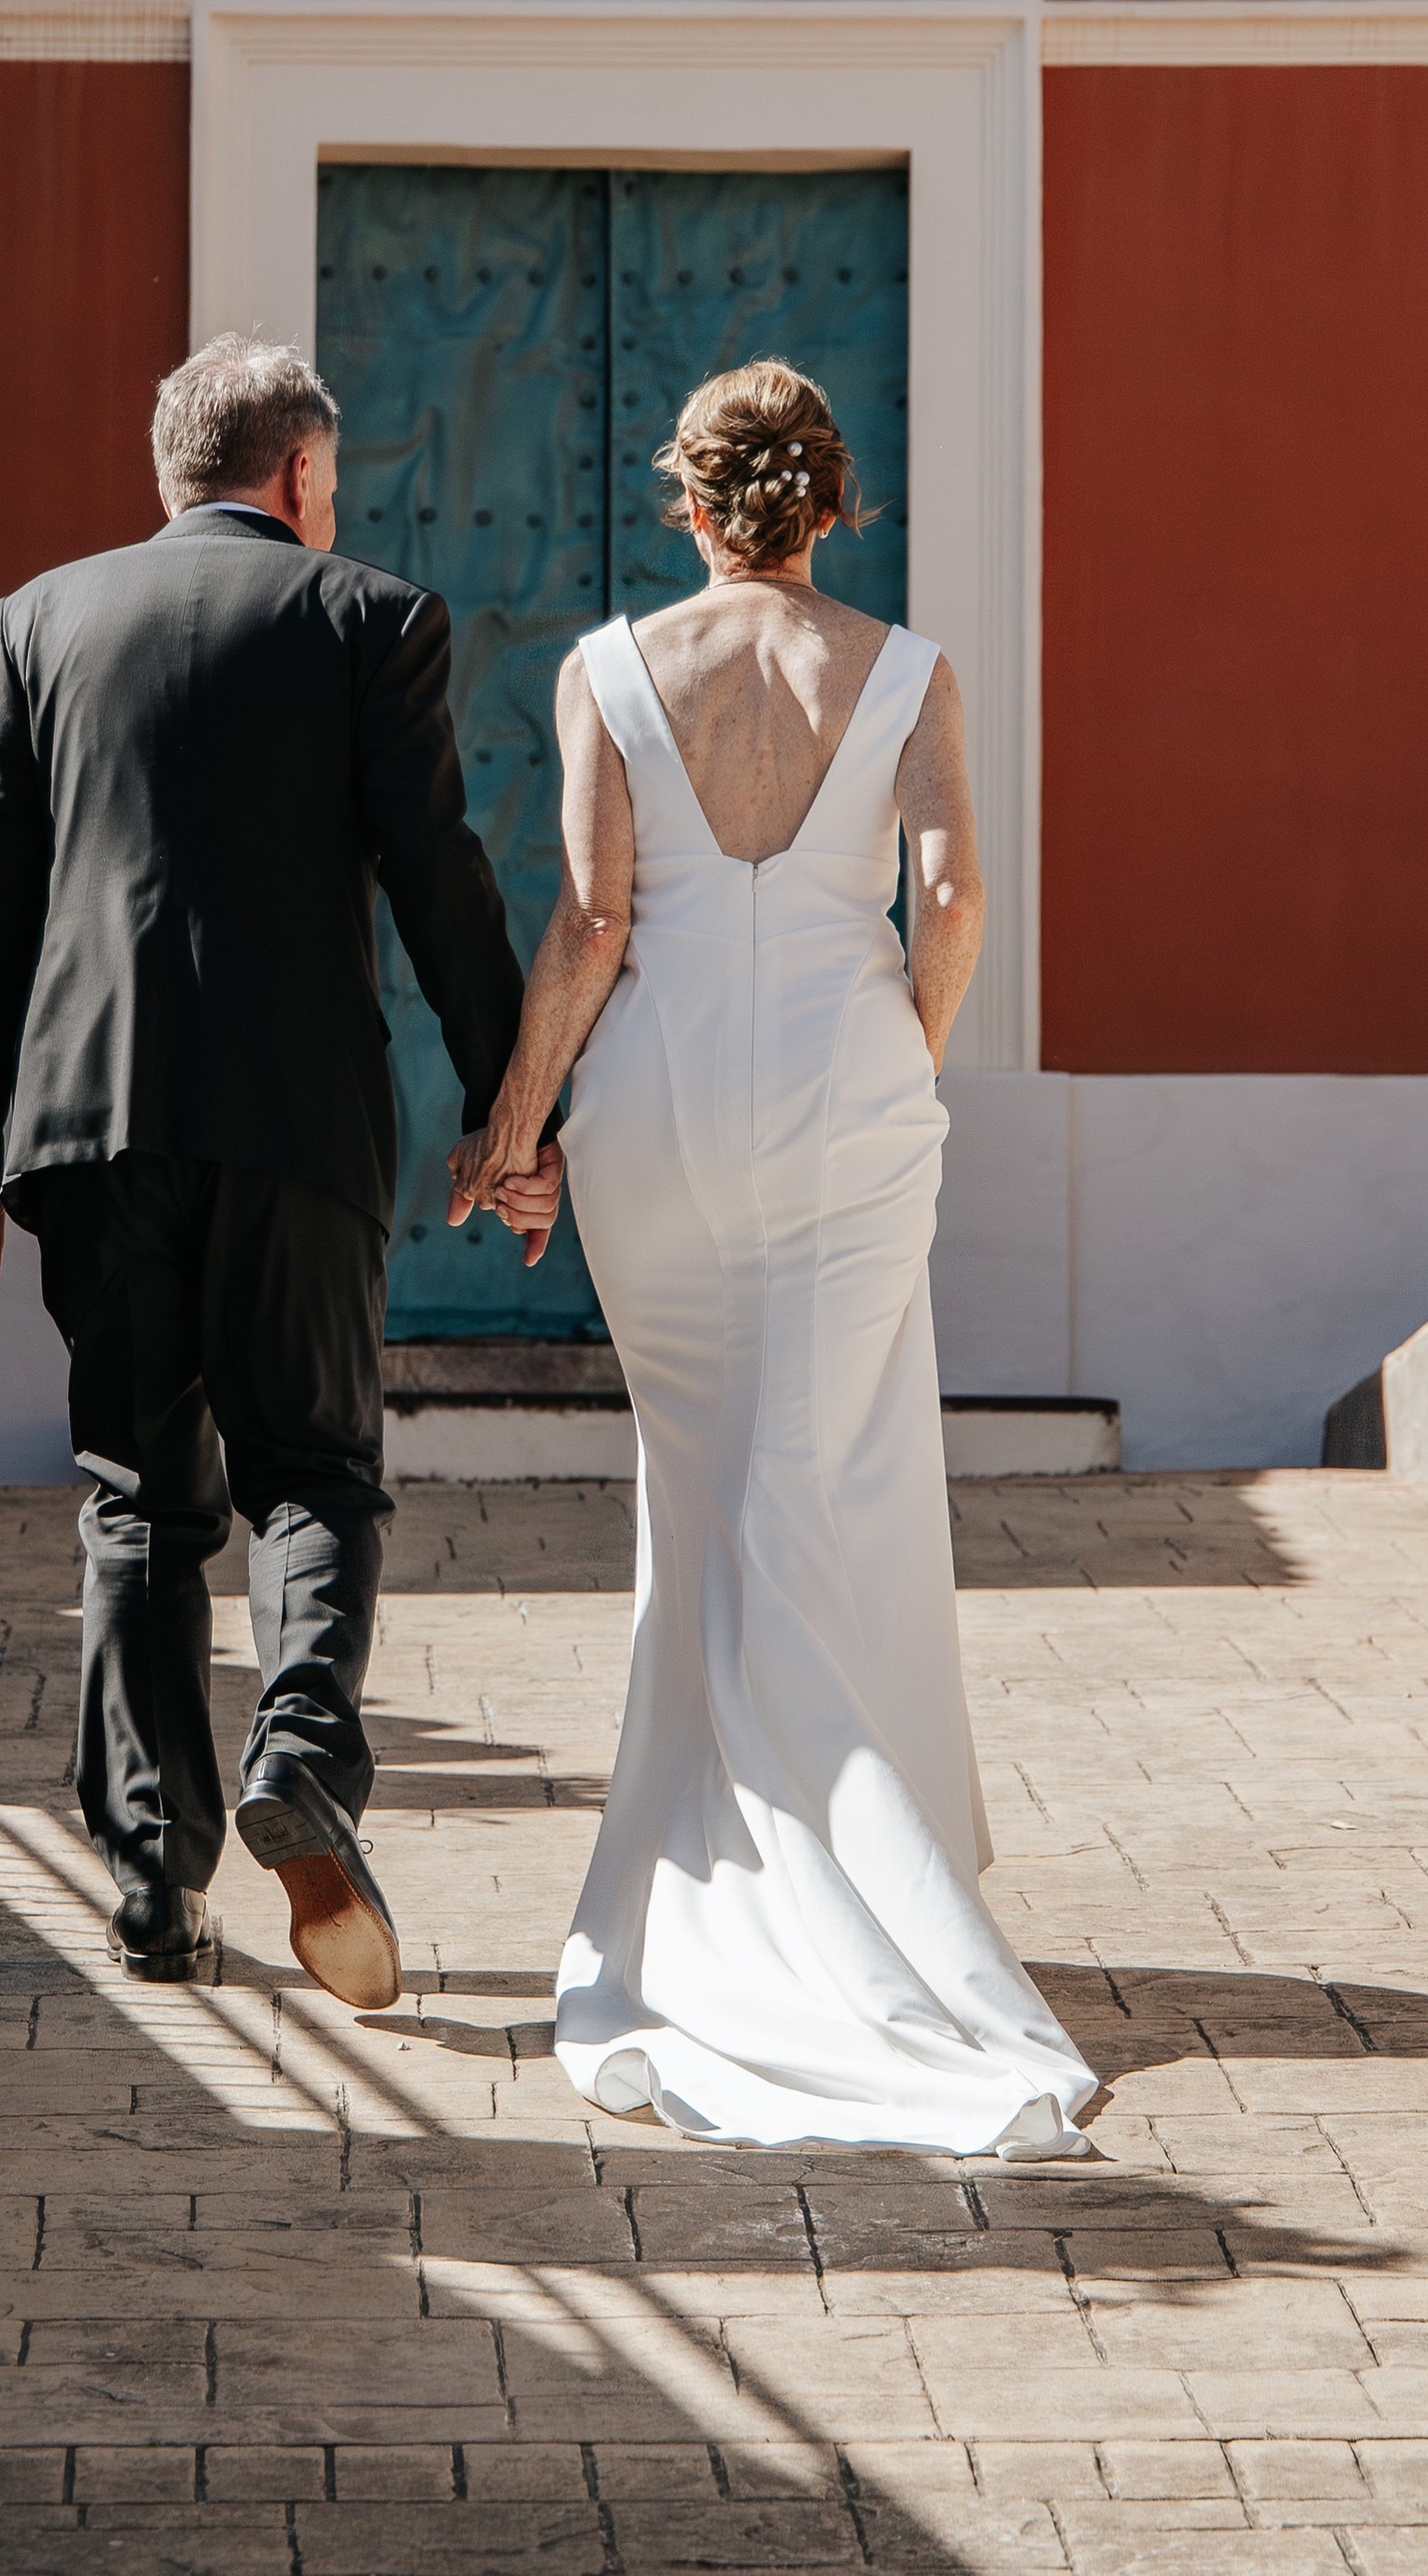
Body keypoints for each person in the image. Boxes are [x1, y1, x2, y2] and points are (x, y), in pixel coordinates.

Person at [451, 361, 1099, 2155]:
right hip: (848, 1096)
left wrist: (518, 1121)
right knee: (805, 1476)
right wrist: (915, 1043)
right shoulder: (907, 673)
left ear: (690, 501)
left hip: (656, 1109)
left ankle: (734, 1861)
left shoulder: (607, 667)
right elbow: (953, 898)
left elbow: (591, 917)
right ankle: (848, 1877)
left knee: (713, 1472)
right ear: (832, 506)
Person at [0, 336, 559, 2002]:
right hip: (298, 1131)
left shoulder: (37, 623)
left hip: (88, 1128)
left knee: (136, 1498)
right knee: (314, 1473)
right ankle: (303, 1755)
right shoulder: (371, 619)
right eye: (327, 490)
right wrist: (514, 1113)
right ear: (295, 480)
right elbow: (438, 879)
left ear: (172, 475)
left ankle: (150, 1881)